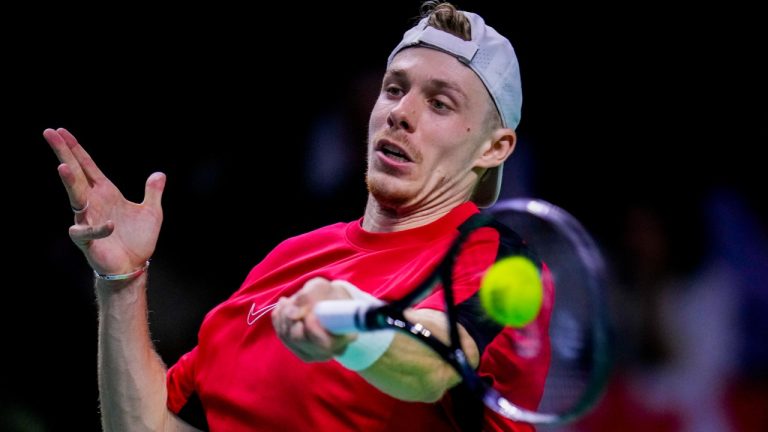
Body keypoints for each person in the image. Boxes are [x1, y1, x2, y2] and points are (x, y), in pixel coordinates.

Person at [43, 2, 551, 430]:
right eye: (394, 89)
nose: (401, 112)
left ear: (494, 147)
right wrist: (121, 280)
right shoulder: (292, 257)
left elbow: (433, 363)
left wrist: (352, 324)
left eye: (440, 104)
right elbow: (148, 424)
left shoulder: (497, 262)